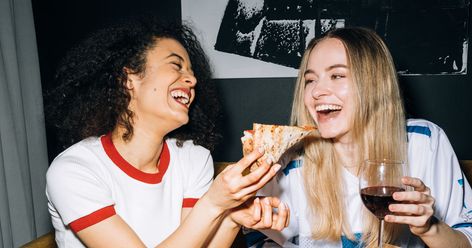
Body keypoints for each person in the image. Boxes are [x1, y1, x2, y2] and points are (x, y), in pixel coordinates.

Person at [45, 16, 289, 247]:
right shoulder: (74, 169)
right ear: (128, 79)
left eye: (192, 73)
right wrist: (213, 204)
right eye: (176, 66)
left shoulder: (193, 158)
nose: (192, 80)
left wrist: (230, 218)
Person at [245, 27, 472, 247]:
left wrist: (429, 228)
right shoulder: (287, 162)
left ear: (375, 85)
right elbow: (263, 239)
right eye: (310, 80)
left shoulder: (425, 142)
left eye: (337, 75)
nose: (316, 91)